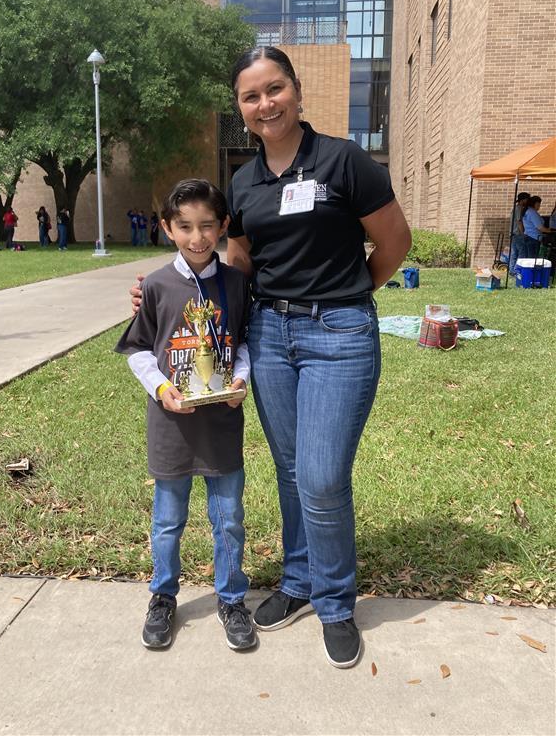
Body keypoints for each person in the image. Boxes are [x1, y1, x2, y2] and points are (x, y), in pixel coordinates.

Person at [131, 47, 411, 669]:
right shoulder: (243, 182)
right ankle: (301, 578)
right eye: (251, 97)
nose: (265, 104)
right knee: (289, 469)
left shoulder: (343, 160)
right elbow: (241, 261)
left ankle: (336, 602)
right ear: (241, 108)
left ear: (297, 90)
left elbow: (394, 242)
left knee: (321, 476)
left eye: (274, 89)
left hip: (337, 335)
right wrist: (171, 286)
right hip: (270, 335)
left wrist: (347, 295)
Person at [116, 178, 255, 653]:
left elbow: (244, 344)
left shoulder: (236, 284)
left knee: (229, 518)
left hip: (220, 424)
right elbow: (137, 350)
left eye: (207, 226)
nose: (197, 237)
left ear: (222, 227)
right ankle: (162, 594)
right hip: (172, 426)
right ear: (167, 229)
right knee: (168, 520)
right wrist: (160, 387)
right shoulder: (154, 286)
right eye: (185, 226)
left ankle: (232, 598)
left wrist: (241, 381)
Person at [508, 192, 530, 275]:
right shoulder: (519, 208)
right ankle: (517, 271)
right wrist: (523, 233)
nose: (527, 201)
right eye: (527, 199)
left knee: (514, 253)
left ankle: (512, 271)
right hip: (517, 234)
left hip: (513, 233)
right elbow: (519, 221)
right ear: (523, 200)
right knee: (522, 252)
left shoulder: (515, 207)